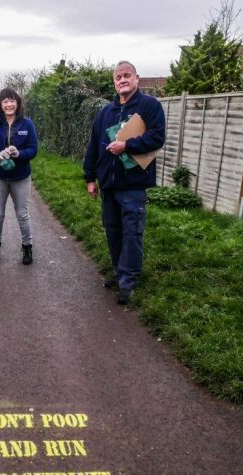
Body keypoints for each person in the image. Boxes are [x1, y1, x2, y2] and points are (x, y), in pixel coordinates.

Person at [83, 61, 166, 304]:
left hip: (133, 185)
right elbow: (93, 147)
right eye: (118, 77)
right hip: (109, 184)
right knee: (113, 232)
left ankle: (128, 281)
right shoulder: (105, 112)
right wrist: (90, 178)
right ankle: (120, 273)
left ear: (137, 78)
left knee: (132, 233)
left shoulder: (149, 106)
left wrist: (127, 145)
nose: (122, 80)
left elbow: (157, 137)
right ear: (114, 82)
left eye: (127, 75)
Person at [0, 88, 39, 265]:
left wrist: (18, 153)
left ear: (18, 103)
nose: (9, 104)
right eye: (5, 101)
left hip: (21, 177)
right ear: (0, 104)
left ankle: (27, 247)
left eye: (12, 100)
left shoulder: (27, 124)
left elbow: (33, 149)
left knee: (22, 214)